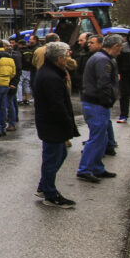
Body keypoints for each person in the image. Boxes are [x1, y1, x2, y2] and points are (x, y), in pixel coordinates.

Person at [34, 41, 81, 208]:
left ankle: (44, 186)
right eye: (66, 55)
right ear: (59, 58)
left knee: (58, 155)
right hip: (52, 124)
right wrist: (67, 122)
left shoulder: (51, 72)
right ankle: (50, 193)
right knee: (52, 158)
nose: (68, 58)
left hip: (51, 123)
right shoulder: (50, 76)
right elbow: (56, 105)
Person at [76, 33, 124, 182]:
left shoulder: (101, 58)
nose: (121, 51)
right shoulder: (103, 60)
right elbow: (104, 83)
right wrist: (107, 101)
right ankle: (85, 169)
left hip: (95, 102)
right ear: (115, 46)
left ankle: (96, 167)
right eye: (121, 47)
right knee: (97, 137)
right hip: (96, 103)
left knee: (101, 137)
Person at [7, 39, 23, 131]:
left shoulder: (13, 57)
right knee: (12, 101)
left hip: (10, 83)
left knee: (9, 103)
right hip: (13, 82)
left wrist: (12, 83)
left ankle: (11, 122)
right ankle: (14, 117)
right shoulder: (16, 55)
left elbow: (16, 70)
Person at [18, 36, 37, 105]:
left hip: (22, 69)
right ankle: (27, 99)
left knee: (19, 84)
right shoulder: (30, 51)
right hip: (29, 70)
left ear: (20, 45)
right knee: (27, 84)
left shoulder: (19, 51)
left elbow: (19, 61)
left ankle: (19, 99)